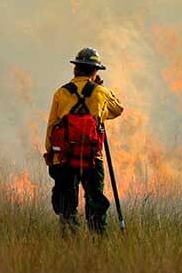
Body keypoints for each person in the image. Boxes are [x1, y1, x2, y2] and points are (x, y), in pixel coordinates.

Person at [44, 47, 124, 235]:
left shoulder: (61, 93)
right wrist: (99, 91)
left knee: (66, 201)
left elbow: (52, 126)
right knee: (95, 199)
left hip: (64, 158)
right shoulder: (100, 92)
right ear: (95, 71)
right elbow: (118, 109)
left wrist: (51, 155)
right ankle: (98, 238)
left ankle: (70, 238)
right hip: (92, 158)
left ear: (76, 68)